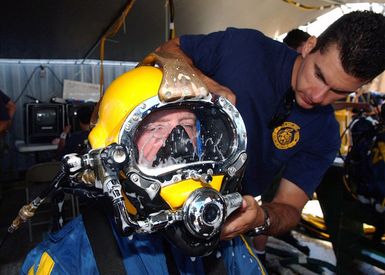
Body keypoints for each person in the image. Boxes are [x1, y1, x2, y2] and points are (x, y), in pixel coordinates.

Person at [156, 10, 385, 262]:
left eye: (338, 92)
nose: (318, 96)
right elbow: (167, 49)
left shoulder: (325, 134)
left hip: (217, 222)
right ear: (309, 46)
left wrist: (261, 218)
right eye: (319, 75)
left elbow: (289, 207)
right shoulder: (244, 49)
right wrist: (206, 85)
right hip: (154, 190)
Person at [21, 54, 266, 274]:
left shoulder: (227, 237)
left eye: (188, 126)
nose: (179, 144)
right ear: (110, 150)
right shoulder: (67, 262)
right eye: (155, 128)